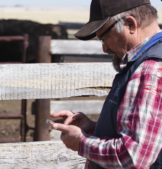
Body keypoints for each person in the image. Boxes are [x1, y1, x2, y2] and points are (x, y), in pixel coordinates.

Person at [50, 0, 162, 168]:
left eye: (104, 37)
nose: (104, 48)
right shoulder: (144, 63)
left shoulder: (150, 69)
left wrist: (82, 142)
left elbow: (133, 157)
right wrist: (96, 129)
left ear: (130, 24)